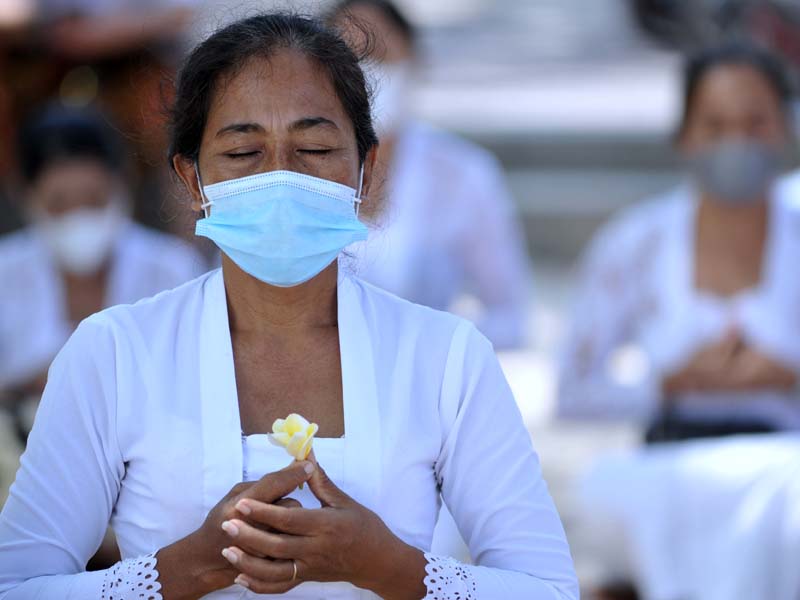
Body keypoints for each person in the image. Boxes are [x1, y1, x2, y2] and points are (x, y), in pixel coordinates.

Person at [0, 13, 578, 600]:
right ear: (192, 179)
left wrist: (392, 568)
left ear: (365, 171)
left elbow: (548, 589)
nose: (280, 176)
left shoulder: (446, 358)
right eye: (244, 151)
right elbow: (15, 586)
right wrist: (182, 569)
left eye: (314, 147)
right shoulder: (114, 354)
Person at [557, 41, 800, 439]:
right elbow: (572, 390)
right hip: (671, 469)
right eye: (715, 126)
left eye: (755, 123)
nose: (736, 142)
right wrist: (668, 384)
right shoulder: (635, 244)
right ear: (684, 135)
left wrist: (789, 378)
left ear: (785, 130)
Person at [327, 0, 532, 350]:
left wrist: (430, 349)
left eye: (380, 56)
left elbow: (510, 316)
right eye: (348, 60)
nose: (366, 73)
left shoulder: (463, 174)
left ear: (415, 62)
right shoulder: (286, 170)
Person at [0, 104, 205, 412]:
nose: (78, 216)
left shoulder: (172, 269)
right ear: (25, 196)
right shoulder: (5, 272)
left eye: (94, 199)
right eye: (59, 203)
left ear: (122, 184)